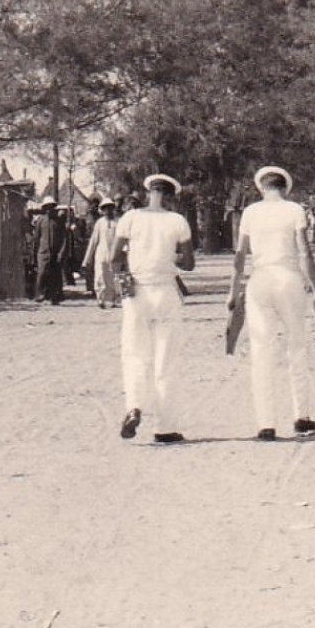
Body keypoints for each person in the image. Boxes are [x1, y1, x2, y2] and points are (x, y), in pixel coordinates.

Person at [227, 165, 315, 441]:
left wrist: (233, 291)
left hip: (260, 280)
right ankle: (302, 416)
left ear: (262, 188)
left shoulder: (250, 212)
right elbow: (305, 252)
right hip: (289, 279)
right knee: (297, 345)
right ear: (285, 188)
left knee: (261, 350)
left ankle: (266, 423)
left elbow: (239, 256)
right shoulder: (294, 210)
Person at [110, 174, 195, 444]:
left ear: (148, 192)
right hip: (166, 292)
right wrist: (168, 257)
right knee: (166, 361)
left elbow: (114, 258)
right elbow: (189, 263)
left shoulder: (130, 218)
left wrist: (131, 267)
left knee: (135, 354)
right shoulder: (177, 221)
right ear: (170, 196)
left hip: (137, 293)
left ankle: (134, 406)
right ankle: (166, 427)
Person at [82, 197, 122, 308]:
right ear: (102, 210)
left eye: (110, 208)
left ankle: (114, 300)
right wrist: (87, 259)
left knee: (114, 278)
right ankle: (100, 299)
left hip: (115, 254)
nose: (108, 211)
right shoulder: (99, 223)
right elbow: (93, 241)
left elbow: (123, 239)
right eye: (105, 208)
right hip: (101, 254)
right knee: (100, 276)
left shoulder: (118, 222)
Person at [31, 196, 66, 304]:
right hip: (43, 252)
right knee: (42, 273)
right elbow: (36, 237)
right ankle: (39, 294)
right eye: (47, 207)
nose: (49, 209)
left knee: (55, 274)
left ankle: (54, 297)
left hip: (55, 252)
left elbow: (64, 238)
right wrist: (34, 252)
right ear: (44, 208)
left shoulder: (58, 221)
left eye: (51, 207)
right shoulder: (41, 220)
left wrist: (61, 252)